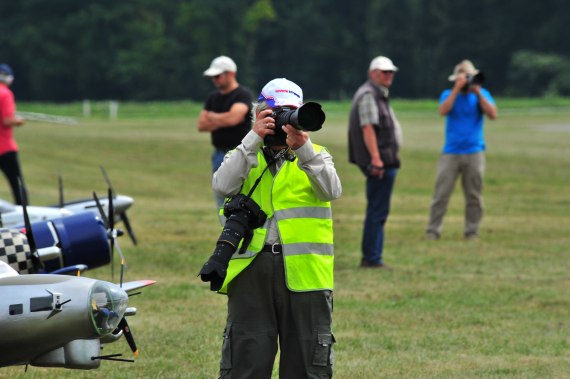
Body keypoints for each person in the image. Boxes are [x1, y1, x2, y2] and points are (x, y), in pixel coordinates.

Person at [210, 78, 342, 378]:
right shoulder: (245, 153)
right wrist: (253, 138)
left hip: (306, 273)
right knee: (246, 360)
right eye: (276, 114)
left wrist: (304, 149)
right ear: (259, 114)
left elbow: (332, 190)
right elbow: (222, 184)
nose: (284, 123)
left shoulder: (315, 154)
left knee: (307, 364)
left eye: (291, 114)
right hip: (252, 268)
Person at [426, 59, 498, 240]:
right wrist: (457, 89)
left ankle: (472, 231)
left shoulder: (481, 94)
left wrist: (478, 92)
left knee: (474, 195)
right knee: (441, 194)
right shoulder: (448, 94)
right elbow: (443, 111)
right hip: (451, 151)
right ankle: (433, 230)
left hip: (475, 151)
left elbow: (493, 115)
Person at [348, 56, 402, 269]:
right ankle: (371, 257)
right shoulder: (370, 94)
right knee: (377, 211)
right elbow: (368, 127)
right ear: (373, 73)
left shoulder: (375, 93)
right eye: (384, 72)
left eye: (391, 72)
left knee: (377, 209)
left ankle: (372, 255)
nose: (389, 75)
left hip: (384, 160)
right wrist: (377, 159)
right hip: (380, 163)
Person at [198, 56, 253, 209]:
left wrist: (212, 117)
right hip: (218, 154)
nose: (214, 80)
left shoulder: (243, 94)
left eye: (217, 76)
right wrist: (224, 117)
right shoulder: (213, 97)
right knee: (220, 198)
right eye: (212, 77)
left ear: (230, 74)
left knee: (242, 197)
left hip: (239, 154)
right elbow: (201, 125)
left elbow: (233, 119)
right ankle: (225, 230)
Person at [0, 63, 27, 205]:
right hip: (5, 147)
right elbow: (6, 120)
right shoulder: (5, 93)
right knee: (17, 184)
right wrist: (18, 121)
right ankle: (25, 213)